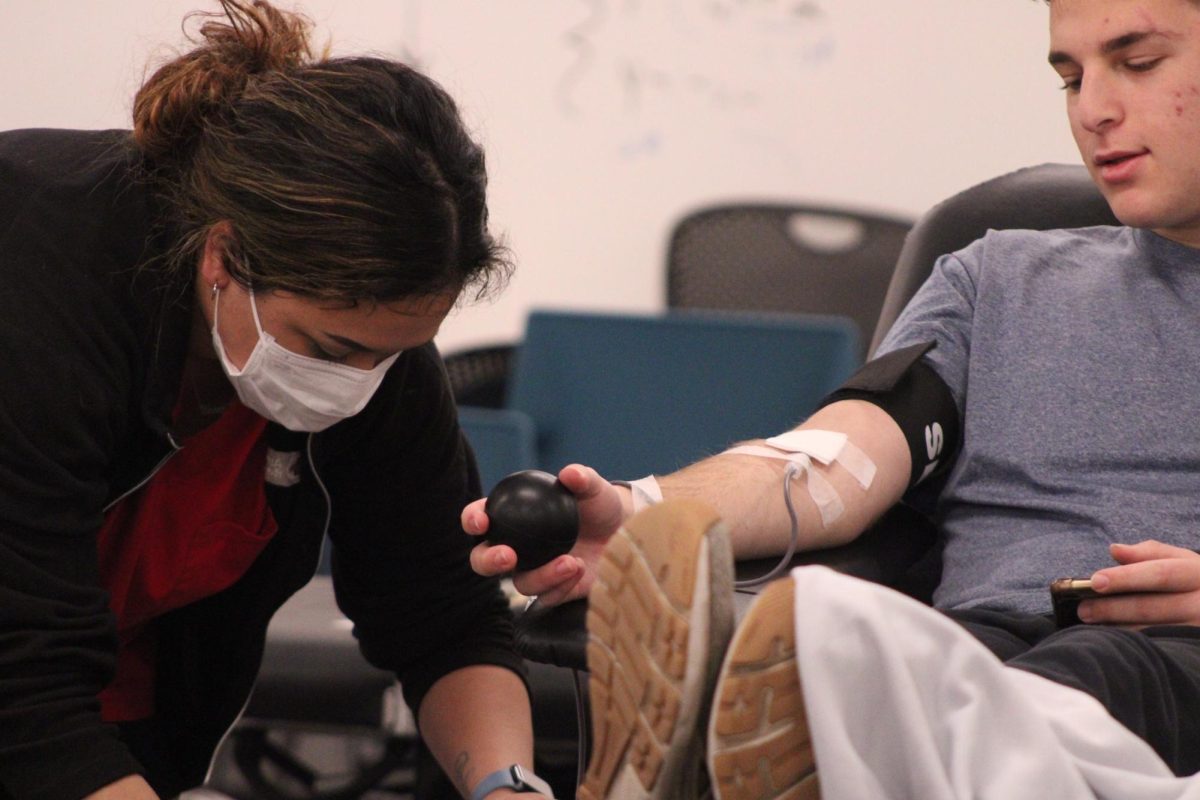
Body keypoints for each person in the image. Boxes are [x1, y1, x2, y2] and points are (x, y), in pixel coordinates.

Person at [465, 0, 1200, 796]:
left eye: (1137, 62)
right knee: (834, 627)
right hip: (971, 650)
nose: (1093, 109)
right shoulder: (996, 279)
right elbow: (832, 459)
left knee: (1046, 683)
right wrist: (637, 513)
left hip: (1165, 666)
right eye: (1070, 78)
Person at [0, 2, 557, 799]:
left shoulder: (368, 338)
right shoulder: (37, 281)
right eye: (333, 350)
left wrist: (505, 785)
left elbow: (443, 609)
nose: (360, 381)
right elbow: (19, 692)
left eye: (393, 354)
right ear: (222, 256)